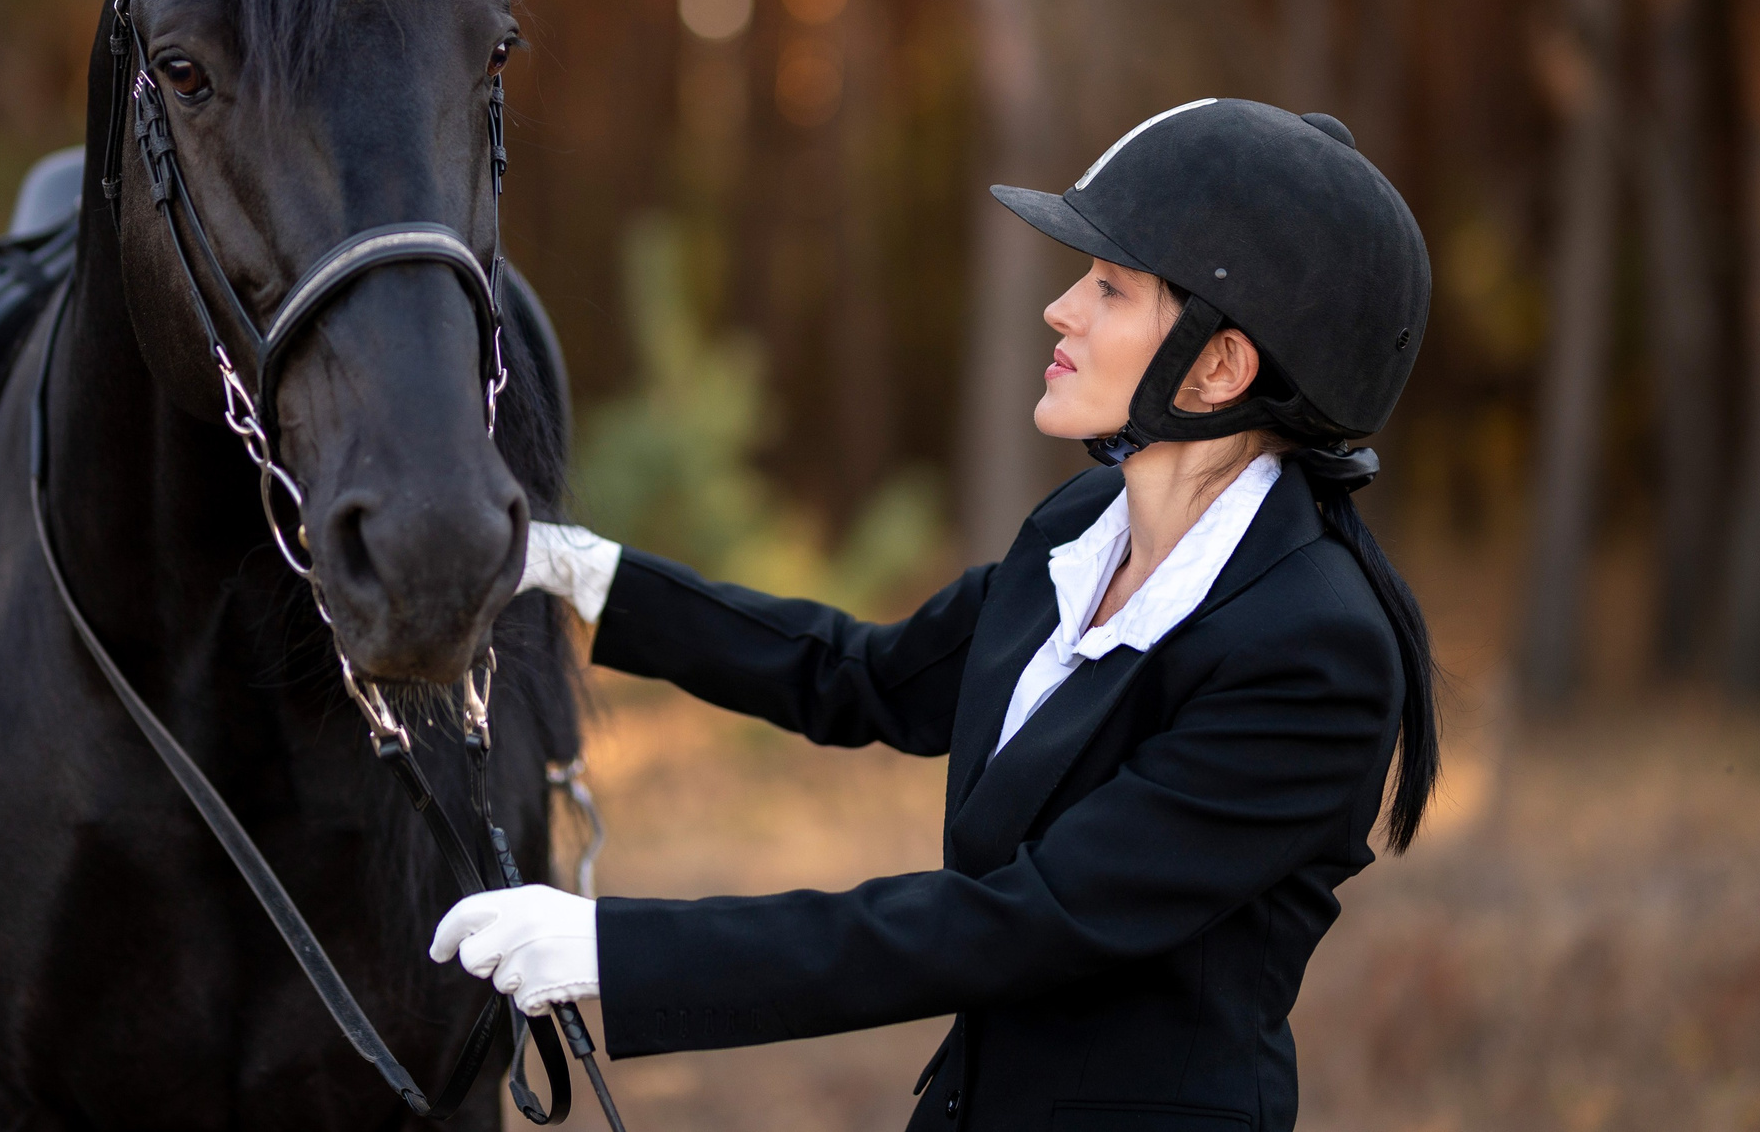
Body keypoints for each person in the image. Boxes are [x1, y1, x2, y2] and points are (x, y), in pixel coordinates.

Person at [433, 98, 1440, 1132]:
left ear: (1219, 364)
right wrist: (581, 572)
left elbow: (1023, 920)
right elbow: (862, 676)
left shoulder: (1316, 652)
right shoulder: (1080, 529)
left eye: (1109, 286)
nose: (1060, 308)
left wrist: (620, 950)